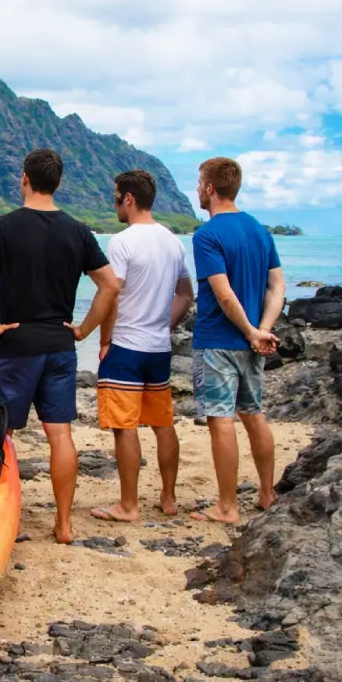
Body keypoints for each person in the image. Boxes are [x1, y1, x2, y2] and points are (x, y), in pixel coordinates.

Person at [0, 148, 119, 544]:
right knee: (60, 434)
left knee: (0, 433)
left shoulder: (2, 226)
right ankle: (63, 525)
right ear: (59, 183)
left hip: (16, 345)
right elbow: (111, 285)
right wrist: (83, 330)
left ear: (24, 179)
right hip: (60, 347)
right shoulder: (79, 230)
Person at [89, 170, 193, 524]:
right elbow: (185, 295)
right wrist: (165, 325)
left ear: (128, 198)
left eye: (116, 196)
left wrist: (103, 338)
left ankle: (129, 505)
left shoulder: (123, 241)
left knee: (125, 427)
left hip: (127, 346)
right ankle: (168, 498)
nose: (114, 202)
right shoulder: (174, 242)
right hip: (158, 348)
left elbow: (111, 292)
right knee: (164, 424)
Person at [189, 157, 286, 524]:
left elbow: (224, 293)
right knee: (254, 414)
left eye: (200, 183)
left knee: (221, 419)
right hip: (253, 341)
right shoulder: (259, 230)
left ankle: (227, 506)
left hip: (219, 340)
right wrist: (263, 328)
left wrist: (249, 330)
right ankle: (266, 493)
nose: (198, 189)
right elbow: (277, 285)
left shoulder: (207, 235)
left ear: (211, 189)